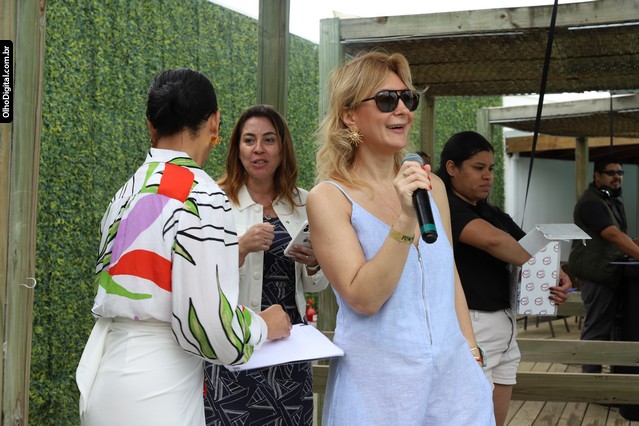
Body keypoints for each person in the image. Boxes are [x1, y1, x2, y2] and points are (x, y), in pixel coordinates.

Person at [75, 69, 291, 426]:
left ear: (150, 124)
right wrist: (263, 325)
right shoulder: (203, 196)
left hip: (105, 375)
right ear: (214, 121)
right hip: (161, 387)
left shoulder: (126, 192)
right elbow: (209, 328)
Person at [307, 51, 495, 425]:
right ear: (349, 115)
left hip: (455, 386)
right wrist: (406, 219)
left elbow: (449, 276)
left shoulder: (432, 186)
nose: (403, 110)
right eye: (386, 100)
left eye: (407, 98)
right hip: (379, 391)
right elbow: (364, 298)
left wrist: (472, 352)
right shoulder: (329, 198)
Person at [203, 104, 329, 425]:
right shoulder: (215, 201)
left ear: (282, 148)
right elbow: (200, 278)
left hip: (290, 351)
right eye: (249, 140)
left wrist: (314, 263)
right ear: (237, 149)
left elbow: (316, 285)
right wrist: (240, 248)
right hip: (236, 348)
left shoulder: (305, 203)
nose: (258, 149)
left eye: (269, 140)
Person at [435, 130, 572, 426]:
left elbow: (529, 245)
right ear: (451, 168)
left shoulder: (492, 212)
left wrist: (556, 275)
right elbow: (494, 241)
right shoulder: (445, 208)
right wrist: (542, 265)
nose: (488, 176)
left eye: (491, 168)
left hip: (506, 324)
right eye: (478, 168)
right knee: (472, 418)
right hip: (472, 324)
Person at [568, 155, 639, 373]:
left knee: (609, 329)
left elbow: (618, 238)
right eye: (611, 173)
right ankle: (590, 382)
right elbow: (611, 234)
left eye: (620, 173)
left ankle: (601, 379)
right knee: (596, 330)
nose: (617, 177)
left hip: (609, 273)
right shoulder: (591, 202)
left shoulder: (610, 201)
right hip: (597, 275)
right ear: (597, 176)